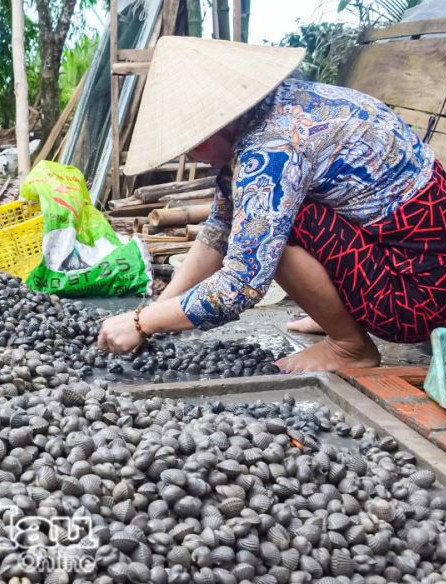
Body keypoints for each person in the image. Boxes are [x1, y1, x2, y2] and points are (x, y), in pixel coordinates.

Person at [97, 36, 446, 372]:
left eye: (192, 145)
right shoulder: (281, 106)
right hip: (406, 259)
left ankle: (349, 346)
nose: (192, 155)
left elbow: (241, 284)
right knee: (256, 215)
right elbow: (219, 231)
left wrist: (142, 322)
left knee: (270, 227)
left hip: (418, 297)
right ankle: (339, 314)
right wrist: (161, 313)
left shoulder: (271, 149)